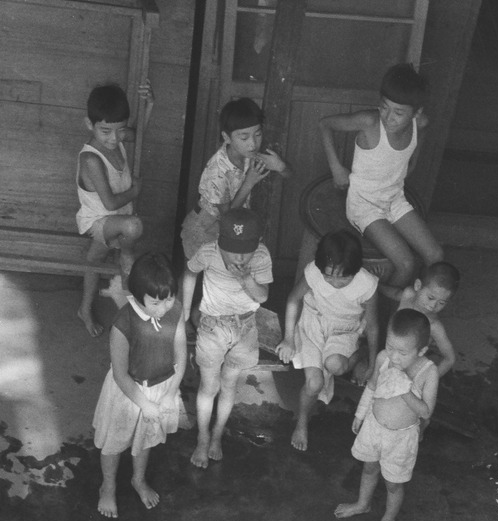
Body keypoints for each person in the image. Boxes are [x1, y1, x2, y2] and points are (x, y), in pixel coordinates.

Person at [319, 63, 442, 295]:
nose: (389, 117)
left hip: (394, 199)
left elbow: (412, 158)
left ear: (416, 113)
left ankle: (419, 307)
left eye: (399, 113)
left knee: (435, 256)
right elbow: (325, 124)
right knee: (406, 263)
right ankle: (379, 307)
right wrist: (336, 167)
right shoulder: (370, 122)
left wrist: (406, 168)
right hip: (363, 205)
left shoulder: (421, 124)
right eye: (384, 107)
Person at [93, 253, 187, 518]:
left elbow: (181, 354)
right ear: (137, 296)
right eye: (156, 302)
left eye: (169, 298)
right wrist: (144, 404)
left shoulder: (176, 310)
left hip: (162, 388)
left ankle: (138, 479)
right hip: (129, 392)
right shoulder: (123, 323)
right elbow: (120, 374)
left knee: (146, 438)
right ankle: (108, 485)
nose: (164, 308)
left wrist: (170, 393)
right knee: (114, 441)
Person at [335, 308, 437, 521]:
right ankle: (363, 503)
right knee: (369, 468)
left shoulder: (428, 372)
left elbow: (426, 412)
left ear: (421, 351)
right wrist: (360, 414)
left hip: (400, 438)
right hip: (374, 426)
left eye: (402, 352)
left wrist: (405, 390)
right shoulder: (383, 358)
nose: (394, 357)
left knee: (393, 484)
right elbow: (372, 386)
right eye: (390, 347)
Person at [182, 208, 273, 469]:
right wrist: (185, 313)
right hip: (213, 327)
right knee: (209, 387)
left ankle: (217, 435)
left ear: (257, 243)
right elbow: (189, 273)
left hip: (246, 327)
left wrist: (246, 279)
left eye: (246, 250)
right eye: (232, 250)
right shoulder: (209, 252)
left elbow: (262, 296)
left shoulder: (261, 255)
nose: (239, 257)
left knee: (229, 384)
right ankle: (202, 438)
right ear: (220, 241)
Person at [276, 229, 379, 452]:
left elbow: (372, 325)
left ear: (356, 270)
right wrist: (288, 338)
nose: (335, 282)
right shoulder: (314, 271)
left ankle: (358, 354)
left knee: (335, 366)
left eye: (343, 278)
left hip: (344, 331)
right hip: (313, 325)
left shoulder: (367, 283)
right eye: (329, 276)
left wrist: (373, 363)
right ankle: (302, 423)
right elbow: (294, 299)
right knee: (314, 383)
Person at [76, 81, 154, 338]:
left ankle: (87, 309)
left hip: (116, 218)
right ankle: (126, 252)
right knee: (133, 227)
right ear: (90, 125)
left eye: (121, 130)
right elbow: (109, 203)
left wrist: (149, 105)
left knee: (94, 261)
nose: (114, 138)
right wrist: (135, 191)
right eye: (106, 131)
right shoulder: (91, 158)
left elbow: (137, 135)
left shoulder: (117, 139)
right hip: (100, 220)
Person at [180, 98, 290, 263]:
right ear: (227, 137)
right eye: (244, 138)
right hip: (205, 227)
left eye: (258, 134)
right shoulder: (217, 171)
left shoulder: (251, 154)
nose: (253, 143)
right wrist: (249, 182)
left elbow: (289, 175)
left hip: (233, 226)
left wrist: (281, 166)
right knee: (200, 271)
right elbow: (228, 217)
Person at [398, 260, 460, 379]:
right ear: (417, 286)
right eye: (431, 298)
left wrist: (427, 381)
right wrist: (378, 285)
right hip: (391, 350)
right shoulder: (408, 294)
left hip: (409, 367)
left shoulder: (434, 326)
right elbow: (396, 293)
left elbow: (450, 358)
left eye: (441, 303)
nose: (433, 306)